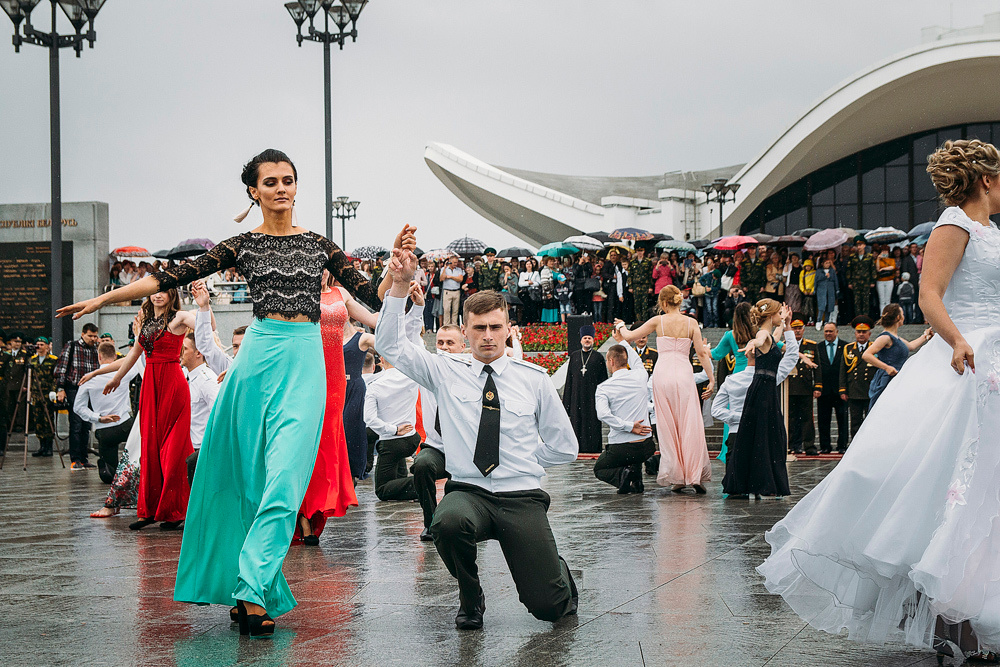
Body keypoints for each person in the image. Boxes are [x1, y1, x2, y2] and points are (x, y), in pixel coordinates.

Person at [58, 148, 406, 635]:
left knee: (287, 481)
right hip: (258, 358)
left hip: (306, 361)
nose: (282, 188)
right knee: (244, 479)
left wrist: (399, 272)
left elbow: (372, 294)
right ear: (253, 191)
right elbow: (169, 277)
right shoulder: (240, 244)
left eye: (288, 180)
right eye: (271, 182)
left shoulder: (320, 246)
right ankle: (250, 594)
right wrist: (105, 298)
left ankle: (249, 584)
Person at [758, 139, 1000, 660]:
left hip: (995, 354)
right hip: (969, 357)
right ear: (985, 179)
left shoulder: (990, 231)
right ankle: (948, 614)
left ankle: (970, 608)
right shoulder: (954, 223)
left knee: (983, 488)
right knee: (950, 481)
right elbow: (931, 294)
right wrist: (957, 339)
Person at [376, 254, 579, 631]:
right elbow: (391, 347)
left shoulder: (533, 378)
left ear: (508, 330)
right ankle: (471, 595)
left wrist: (524, 459)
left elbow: (564, 445)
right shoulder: (443, 371)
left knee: (549, 607)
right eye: (479, 328)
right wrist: (400, 285)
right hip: (469, 491)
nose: (487, 335)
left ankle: (557, 575)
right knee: (446, 522)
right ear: (466, 331)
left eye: (495, 327)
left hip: (521, 496)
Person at [88, 291, 195, 531]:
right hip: (150, 387)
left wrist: (205, 306)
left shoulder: (179, 318)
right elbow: (134, 355)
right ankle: (149, 511)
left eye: (164, 291)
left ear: (171, 295)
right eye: (155, 291)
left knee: (173, 450)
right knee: (149, 449)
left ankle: (175, 511)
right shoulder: (147, 324)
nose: (158, 295)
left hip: (172, 383)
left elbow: (206, 329)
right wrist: (116, 378)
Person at [296, 269, 385, 545]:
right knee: (304, 445)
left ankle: (314, 510)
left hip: (336, 381)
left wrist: (400, 288)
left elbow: (374, 320)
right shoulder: (295, 295)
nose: (319, 271)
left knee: (326, 446)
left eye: (323, 265)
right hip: (306, 375)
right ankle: (301, 514)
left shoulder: (341, 294)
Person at [616, 285, 714, 493]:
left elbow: (630, 336)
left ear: (663, 303)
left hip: (663, 375)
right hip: (684, 374)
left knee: (669, 427)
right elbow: (702, 354)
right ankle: (694, 474)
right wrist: (712, 379)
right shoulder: (691, 323)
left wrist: (622, 325)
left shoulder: (657, 321)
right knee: (690, 423)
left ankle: (678, 475)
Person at [715, 304, 798, 491]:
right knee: (764, 438)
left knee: (768, 438)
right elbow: (761, 339)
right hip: (762, 386)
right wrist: (754, 343)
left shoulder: (769, 335)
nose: (779, 316)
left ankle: (761, 482)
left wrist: (786, 323)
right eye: (777, 313)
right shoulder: (762, 335)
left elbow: (776, 340)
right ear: (769, 315)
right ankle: (761, 483)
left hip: (767, 383)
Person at [410, 306, 463, 541]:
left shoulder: (473, 372)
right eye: (440, 342)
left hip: (466, 447)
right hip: (437, 448)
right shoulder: (428, 371)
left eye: (450, 342)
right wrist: (417, 308)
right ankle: (430, 522)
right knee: (421, 465)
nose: (444, 347)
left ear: (463, 346)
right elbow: (409, 344)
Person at [593, 334, 655, 494]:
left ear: (611, 362)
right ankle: (637, 482)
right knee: (634, 455)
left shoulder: (604, 387)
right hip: (646, 446)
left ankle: (623, 475)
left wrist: (629, 427)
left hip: (622, 447)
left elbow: (603, 415)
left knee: (599, 468)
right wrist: (622, 340)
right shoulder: (641, 376)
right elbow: (637, 361)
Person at [74, 342, 140, 483]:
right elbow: (136, 361)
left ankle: (111, 470)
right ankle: (135, 469)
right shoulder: (124, 371)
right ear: (115, 356)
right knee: (138, 445)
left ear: (99, 357)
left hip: (104, 429)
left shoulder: (89, 378)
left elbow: (78, 407)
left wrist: (98, 418)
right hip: (124, 424)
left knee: (109, 475)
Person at [863, 303, 933, 409]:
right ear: (898, 317)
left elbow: (911, 346)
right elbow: (866, 355)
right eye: (903, 314)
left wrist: (925, 335)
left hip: (898, 377)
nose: (904, 317)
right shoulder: (885, 337)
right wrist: (886, 367)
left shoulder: (895, 337)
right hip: (887, 378)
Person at [53, 323, 100, 469]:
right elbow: (61, 368)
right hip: (74, 388)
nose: (93, 338)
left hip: (90, 390)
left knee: (86, 424)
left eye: (95, 336)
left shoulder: (95, 349)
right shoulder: (72, 346)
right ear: (82, 334)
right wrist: (60, 388)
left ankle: (84, 458)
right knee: (76, 423)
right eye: (90, 335)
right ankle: (75, 458)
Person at [180, 333, 219, 486]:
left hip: (201, 450)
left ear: (198, 353)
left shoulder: (207, 380)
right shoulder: (185, 376)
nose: (180, 352)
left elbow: (218, 414)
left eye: (184, 349)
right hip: (187, 446)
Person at [561, 325, 607, 454]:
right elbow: (569, 381)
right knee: (577, 424)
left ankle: (593, 448)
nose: (587, 340)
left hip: (592, 398)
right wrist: (567, 405)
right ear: (581, 340)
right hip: (576, 398)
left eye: (589, 338)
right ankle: (577, 448)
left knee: (592, 425)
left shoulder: (598, 357)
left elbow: (603, 381)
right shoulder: (575, 356)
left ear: (593, 340)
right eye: (585, 338)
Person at [838, 316, 877, 443]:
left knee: (870, 420)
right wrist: (843, 389)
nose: (861, 334)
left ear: (869, 333)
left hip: (869, 390)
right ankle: (855, 444)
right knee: (855, 421)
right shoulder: (848, 349)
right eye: (859, 332)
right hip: (854, 391)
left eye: (864, 332)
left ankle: (869, 443)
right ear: (855, 333)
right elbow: (843, 371)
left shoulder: (875, 347)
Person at [786, 316, 820, 455]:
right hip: (790, 387)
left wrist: (818, 386)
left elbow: (818, 367)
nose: (797, 331)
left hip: (805, 388)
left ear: (804, 330)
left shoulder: (811, 345)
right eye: (794, 328)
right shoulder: (785, 345)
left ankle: (809, 446)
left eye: (799, 328)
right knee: (790, 419)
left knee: (807, 419)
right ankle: (792, 445)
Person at [815, 322, 847, 453]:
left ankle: (842, 446)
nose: (828, 333)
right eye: (826, 331)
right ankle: (825, 446)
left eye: (831, 331)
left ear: (837, 332)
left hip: (840, 390)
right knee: (823, 420)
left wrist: (844, 388)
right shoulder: (818, 347)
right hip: (824, 390)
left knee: (843, 419)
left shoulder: (845, 346)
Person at [28, 337, 58, 458]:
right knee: (38, 420)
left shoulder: (53, 360)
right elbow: (30, 377)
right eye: (37, 344)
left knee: (48, 420)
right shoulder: (32, 359)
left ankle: (49, 447)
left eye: (41, 344)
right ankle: (42, 446)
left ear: (47, 346)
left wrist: (54, 391)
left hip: (47, 393)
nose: (39, 346)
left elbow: (55, 377)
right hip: (36, 393)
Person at [846, 236, 877, 320]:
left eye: (860, 245)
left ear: (864, 245)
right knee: (857, 301)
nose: (859, 247)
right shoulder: (852, 257)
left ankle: (865, 318)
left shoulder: (869, 257)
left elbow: (872, 269)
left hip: (866, 281)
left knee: (866, 300)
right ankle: (858, 318)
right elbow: (849, 270)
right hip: (856, 282)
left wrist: (873, 281)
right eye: (857, 245)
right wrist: (849, 282)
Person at [630, 246, 654, 322]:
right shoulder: (633, 262)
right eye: (638, 251)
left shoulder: (648, 261)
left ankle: (645, 322)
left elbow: (650, 275)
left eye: (641, 250)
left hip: (645, 285)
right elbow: (630, 275)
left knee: (644, 305)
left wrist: (650, 287)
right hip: (636, 285)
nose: (639, 252)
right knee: (637, 305)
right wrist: (630, 286)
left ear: (644, 251)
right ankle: (638, 322)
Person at [815, 257, 839, 330]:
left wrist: (837, 289)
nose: (827, 264)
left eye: (829, 263)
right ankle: (819, 321)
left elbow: (835, 280)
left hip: (830, 289)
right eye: (826, 263)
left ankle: (827, 321)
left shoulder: (832, 271)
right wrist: (824, 276)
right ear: (822, 264)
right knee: (822, 306)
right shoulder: (819, 271)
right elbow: (816, 280)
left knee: (829, 306)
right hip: (821, 289)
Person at [440, 256, 464, 326]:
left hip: (456, 291)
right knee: (447, 310)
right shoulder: (444, 269)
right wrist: (444, 268)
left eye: (456, 262)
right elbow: (442, 278)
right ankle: (446, 325)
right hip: (447, 291)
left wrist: (450, 277)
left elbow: (460, 279)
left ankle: (454, 326)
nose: (455, 264)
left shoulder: (459, 270)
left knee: (455, 310)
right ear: (450, 262)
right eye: (454, 262)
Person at [875, 245, 896, 314]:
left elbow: (892, 267)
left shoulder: (891, 260)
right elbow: (877, 269)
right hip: (880, 281)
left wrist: (883, 269)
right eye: (883, 251)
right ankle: (882, 314)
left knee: (888, 299)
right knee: (882, 299)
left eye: (886, 251)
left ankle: (887, 314)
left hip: (889, 280)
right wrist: (878, 259)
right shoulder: (878, 260)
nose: (884, 252)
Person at [798, 258, 816, 323]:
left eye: (809, 266)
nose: (808, 267)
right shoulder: (802, 273)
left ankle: (812, 319)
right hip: (805, 293)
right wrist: (803, 290)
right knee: (805, 306)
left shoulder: (814, 273)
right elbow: (801, 283)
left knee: (812, 306)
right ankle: (807, 319)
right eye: (806, 266)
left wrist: (813, 290)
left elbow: (815, 283)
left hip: (812, 293)